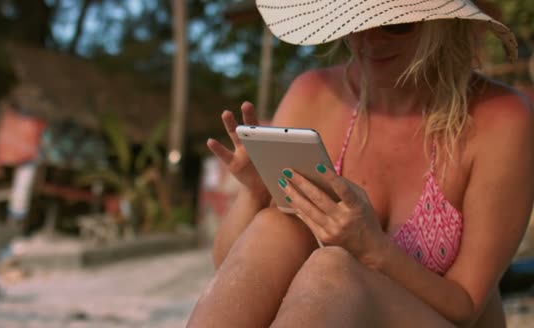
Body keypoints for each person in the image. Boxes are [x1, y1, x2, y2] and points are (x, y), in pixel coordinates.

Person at [188, 0, 534, 327]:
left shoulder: (500, 118)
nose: (370, 40)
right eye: (358, 20)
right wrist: (255, 192)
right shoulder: (314, 94)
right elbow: (229, 269)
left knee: (333, 271)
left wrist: (373, 248)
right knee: (277, 225)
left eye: (397, 24)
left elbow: (467, 307)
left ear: (443, 23)